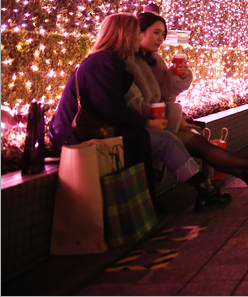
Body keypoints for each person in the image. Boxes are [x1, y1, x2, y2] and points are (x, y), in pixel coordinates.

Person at [48, 13, 231, 209]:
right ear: (124, 35)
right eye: (136, 34)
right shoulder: (103, 63)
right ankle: (200, 190)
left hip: (100, 129)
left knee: (163, 140)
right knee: (164, 140)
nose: (139, 38)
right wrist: (146, 123)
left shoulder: (110, 61)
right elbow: (110, 109)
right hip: (79, 135)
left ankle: (196, 190)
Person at [130, 12, 248, 196]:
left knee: (202, 144)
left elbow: (166, 95)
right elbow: (135, 106)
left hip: (164, 122)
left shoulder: (154, 59)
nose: (161, 39)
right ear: (139, 32)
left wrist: (177, 76)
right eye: (156, 33)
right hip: (148, 127)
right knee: (202, 146)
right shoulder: (129, 62)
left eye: (163, 34)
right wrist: (172, 117)